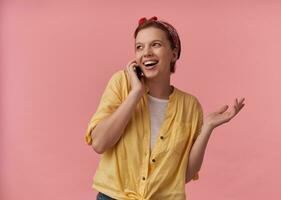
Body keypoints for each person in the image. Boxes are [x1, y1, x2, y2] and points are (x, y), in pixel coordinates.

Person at [84, 16, 245, 200]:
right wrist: (136, 94)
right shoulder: (121, 84)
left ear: (174, 54)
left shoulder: (190, 106)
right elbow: (99, 143)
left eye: (156, 44)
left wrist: (207, 128)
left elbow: (182, 176)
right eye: (139, 47)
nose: (146, 52)